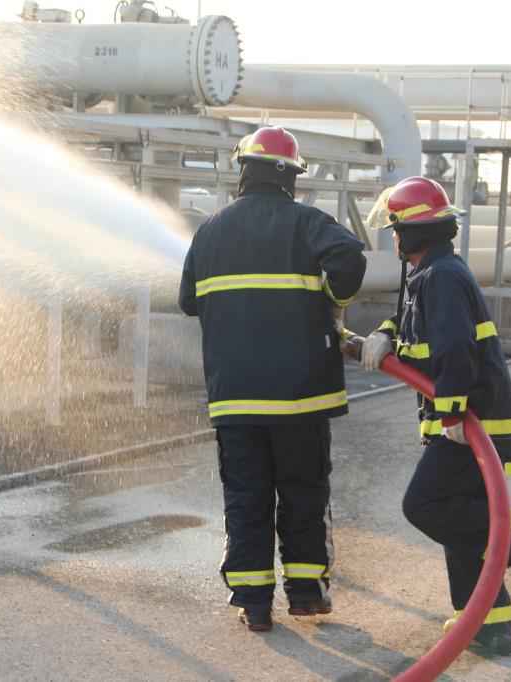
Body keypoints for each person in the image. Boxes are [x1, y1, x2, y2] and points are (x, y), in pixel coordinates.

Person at [358, 176, 511, 655]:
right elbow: (413, 328)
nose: (392, 236)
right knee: (459, 526)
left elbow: (455, 349)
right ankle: (489, 628)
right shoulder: (425, 274)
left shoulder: (443, 276)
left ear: (414, 232)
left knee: (426, 506)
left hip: (473, 422)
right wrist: (383, 335)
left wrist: (451, 413)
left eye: (396, 227)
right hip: (465, 419)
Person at [178, 127, 367, 632]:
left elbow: (187, 302)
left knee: (246, 497)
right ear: (291, 177)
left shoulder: (210, 230)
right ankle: (305, 594)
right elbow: (349, 259)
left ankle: (253, 603)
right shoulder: (308, 223)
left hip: (235, 398)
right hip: (301, 398)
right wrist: (330, 296)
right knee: (304, 492)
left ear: (244, 171)